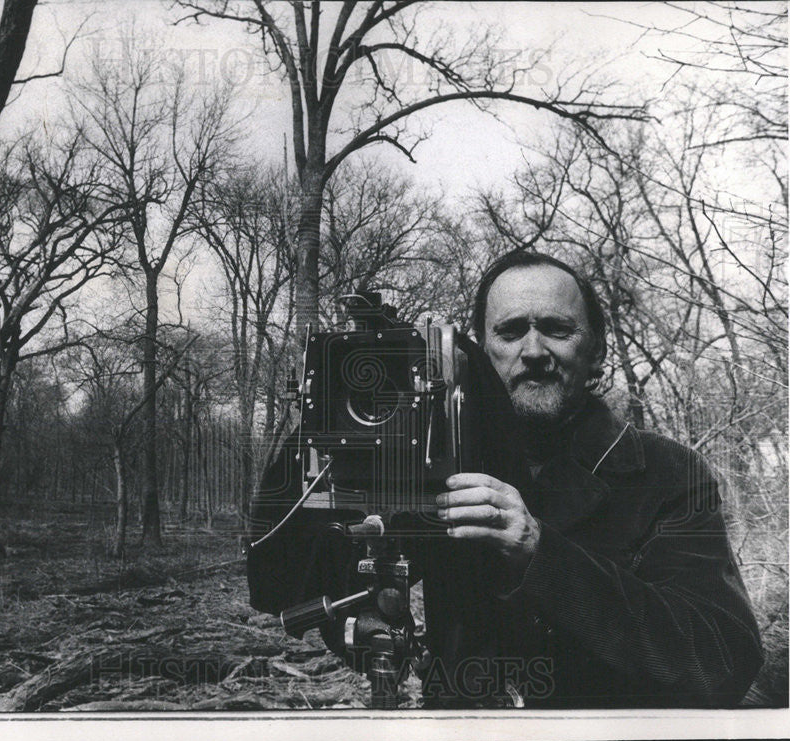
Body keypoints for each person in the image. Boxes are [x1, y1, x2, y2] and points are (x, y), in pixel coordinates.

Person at [247, 250, 763, 709]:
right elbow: (285, 584)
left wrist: (542, 555)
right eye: (510, 331)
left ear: (598, 354)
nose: (533, 351)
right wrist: (337, 414)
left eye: (557, 329)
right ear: (477, 355)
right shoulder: (436, 460)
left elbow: (721, 661)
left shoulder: (665, 472)